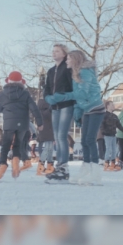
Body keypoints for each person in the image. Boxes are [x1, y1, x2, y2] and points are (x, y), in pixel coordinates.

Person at [46, 51, 105, 185]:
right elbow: (79, 99)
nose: (66, 62)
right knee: (84, 141)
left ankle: (95, 173)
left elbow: (81, 93)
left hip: (96, 108)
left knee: (90, 140)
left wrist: (61, 97)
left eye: (68, 59)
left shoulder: (85, 72)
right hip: (87, 110)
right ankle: (86, 169)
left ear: (75, 60)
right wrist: (78, 114)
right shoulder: (76, 74)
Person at [0, 71, 43, 181]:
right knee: (17, 144)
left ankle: (2, 166)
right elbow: (34, 108)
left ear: (8, 81)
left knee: (5, 145)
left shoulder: (3, 94)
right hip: (23, 124)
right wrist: (40, 123)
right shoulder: (25, 93)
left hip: (9, 124)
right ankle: (15, 165)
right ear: (21, 82)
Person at [43, 44, 75, 179]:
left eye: (57, 51)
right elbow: (47, 88)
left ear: (64, 54)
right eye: (53, 51)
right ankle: (59, 167)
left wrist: (64, 96)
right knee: (56, 137)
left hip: (66, 105)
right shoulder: (50, 71)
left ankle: (63, 166)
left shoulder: (68, 69)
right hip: (55, 107)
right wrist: (48, 98)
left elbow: (73, 87)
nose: (54, 53)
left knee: (62, 136)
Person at [100, 101, 123, 172]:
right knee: (108, 149)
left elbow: (119, 125)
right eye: (112, 105)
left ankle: (113, 163)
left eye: (113, 105)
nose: (113, 106)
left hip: (113, 135)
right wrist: (103, 131)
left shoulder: (115, 116)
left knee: (114, 149)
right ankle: (106, 163)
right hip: (107, 135)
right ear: (107, 106)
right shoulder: (104, 115)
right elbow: (101, 124)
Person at [36, 98, 55, 175]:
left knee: (50, 149)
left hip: (49, 131)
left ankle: (49, 166)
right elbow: (47, 114)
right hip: (47, 131)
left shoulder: (44, 111)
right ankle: (41, 165)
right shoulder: (43, 111)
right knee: (48, 148)